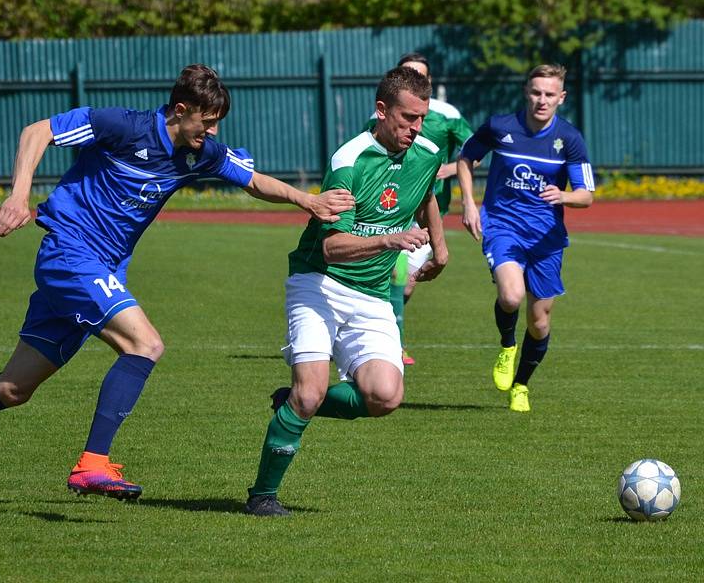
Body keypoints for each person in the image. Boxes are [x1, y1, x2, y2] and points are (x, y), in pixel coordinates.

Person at [0, 64, 354, 500]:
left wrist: (307, 201)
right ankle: (93, 464)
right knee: (145, 345)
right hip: (70, 254)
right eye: (208, 121)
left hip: (99, 269)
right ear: (180, 109)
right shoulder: (123, 126)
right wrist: (19, 195)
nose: (213, 132)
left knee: (12, 389)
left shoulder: (199, 154)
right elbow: (37, 131)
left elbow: (252, 180)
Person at [244, 66, 449, 517]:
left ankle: (294, 402)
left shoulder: (428, 151)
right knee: (312, 391)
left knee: (385, 396)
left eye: (421, 119)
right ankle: (262, 495)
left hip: (372, 294)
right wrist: (389, 240)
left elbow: (428, 193)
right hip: (319, 285)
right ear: (381, 111)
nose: (415, 129)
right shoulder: (348, 162)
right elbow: (333, 248)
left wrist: (440, 245)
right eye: (407, 118)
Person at [457, 64, 595, 412]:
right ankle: (507, 346)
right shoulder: (501, 126)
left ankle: (521, 384)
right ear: (526, 91)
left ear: (561, 98)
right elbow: (466, 159)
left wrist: (563, 196)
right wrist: (470, 205)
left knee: (540, 320)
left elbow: (586, 194)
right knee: (511, 294)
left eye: (550, 94)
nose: (542, 100)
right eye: (536, 92)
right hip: (502, 225)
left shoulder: (570, 139)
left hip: (546, 239)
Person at [379, 53, 476, 366]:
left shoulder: (447, 115)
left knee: (403, 282)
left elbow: (475, 149)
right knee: (396, 276)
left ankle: (385, 336)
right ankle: (392, 345)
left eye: (419, 75)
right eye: (407, 73)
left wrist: (446, 170)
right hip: (395, 215)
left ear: (429, 82)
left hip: (429, 215)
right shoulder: (384, 116)